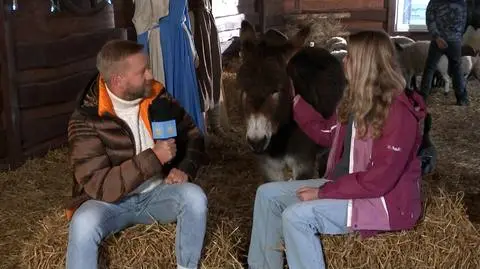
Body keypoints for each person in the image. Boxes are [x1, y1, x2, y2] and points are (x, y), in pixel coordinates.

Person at [247, 30, 426, 269]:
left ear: (366, 64)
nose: (343, 61)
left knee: (297, 217)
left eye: (350, 57)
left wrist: (323, 193)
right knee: (267, 195)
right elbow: (327, 134)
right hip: (346, 186)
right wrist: (296, 100)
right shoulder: (356, 102)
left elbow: (379, 180)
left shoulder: (398, 114)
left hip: (382, 203)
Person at [65, 40, 208, 269]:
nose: (150, 74)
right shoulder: (86, 119)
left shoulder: (157, 96)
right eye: (142, 71)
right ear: (118, 80)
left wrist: (185, 168)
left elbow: (194, 135)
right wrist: (153, 158)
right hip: (109, 204)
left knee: (195, 198)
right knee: (83, 223)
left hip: (156, 194)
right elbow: (99, 185)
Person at [419, 0, 468, 105]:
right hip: (455, 40)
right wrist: (457, 37)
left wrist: (437, 37)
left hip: (438, 40)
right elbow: (464, 21)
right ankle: (462, 98)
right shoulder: (461, 2)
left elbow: (430, 19)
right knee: (456, 69)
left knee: (430, 68)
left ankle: (422, 97)